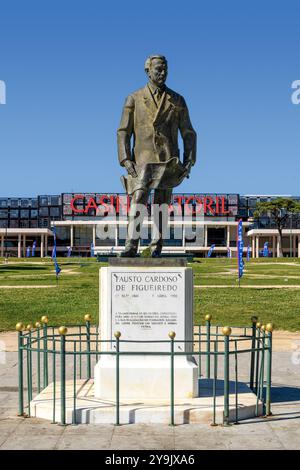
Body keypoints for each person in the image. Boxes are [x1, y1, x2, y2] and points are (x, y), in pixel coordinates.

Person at [117, 54, 197, 257]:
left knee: (161, 205)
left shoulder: (177, 99)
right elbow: (123, 131)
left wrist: (190, 160)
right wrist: (125, 159)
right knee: (138, 201)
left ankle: (156, 247)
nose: (162, 73)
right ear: (148, 71)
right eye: (158, 69)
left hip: (168, 160)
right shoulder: (133, 98)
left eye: (165, 70)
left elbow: (188, 132)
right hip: (141, 161)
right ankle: (131, 245)